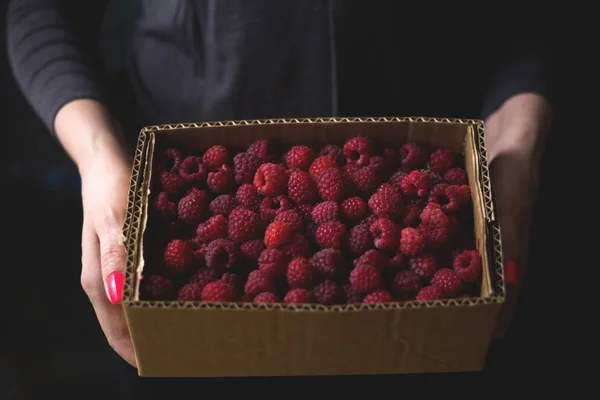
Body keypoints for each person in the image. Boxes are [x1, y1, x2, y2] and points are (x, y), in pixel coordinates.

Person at [6, 0, 554, 397]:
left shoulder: (369, 216)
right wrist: (99, 156)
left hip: (425, 192)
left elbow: (535, 17)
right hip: (177, 191)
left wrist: (517, 142)